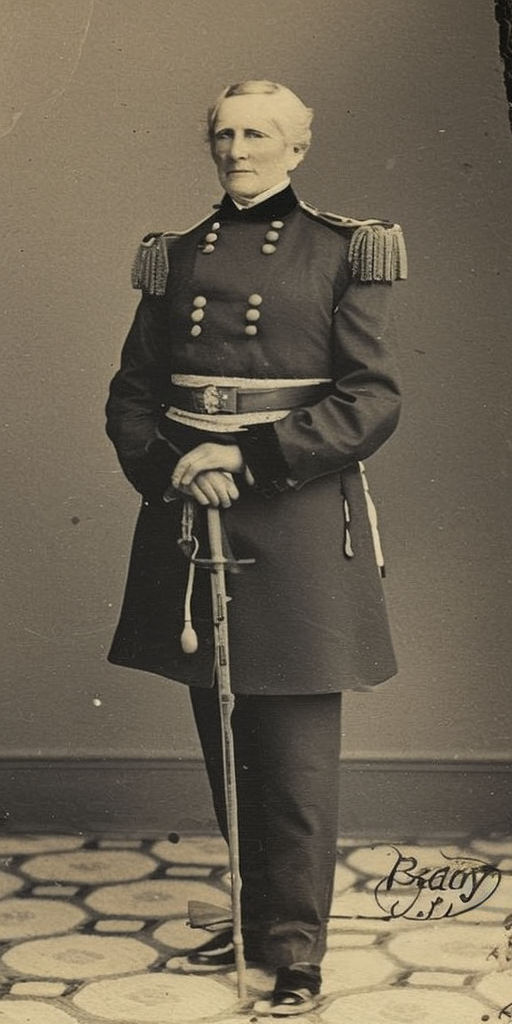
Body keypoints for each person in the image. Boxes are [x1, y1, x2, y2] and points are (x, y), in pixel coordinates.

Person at [105, 79, 407, 1015]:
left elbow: (370, 399)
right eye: (225, 134)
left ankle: (298, 949)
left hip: (294, 511)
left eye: (259, 135)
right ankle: (254, 919)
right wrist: (175, 468)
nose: (238, 150)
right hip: (193, 510)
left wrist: (247, 457)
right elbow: (133, 393)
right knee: (225, 729)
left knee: (295, 749)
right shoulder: (174, 254)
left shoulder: (344, 250)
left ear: (298, 148)